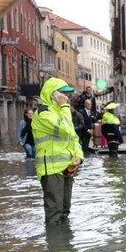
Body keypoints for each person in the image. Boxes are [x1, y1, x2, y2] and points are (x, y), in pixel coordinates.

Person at [32, 77, 85, 225]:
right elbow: (64, 130)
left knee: (65, 211)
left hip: (67, 168)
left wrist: (79, 157)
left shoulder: (61, 113)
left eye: (67, 94)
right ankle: (55, 246)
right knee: (54, 213)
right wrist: (65, 107)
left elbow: (74, 138)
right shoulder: (43, 113)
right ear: (53, 94)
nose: (66, 97)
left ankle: (65, 246)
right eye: (63, 93)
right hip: (51, 170)